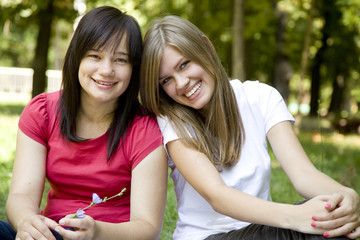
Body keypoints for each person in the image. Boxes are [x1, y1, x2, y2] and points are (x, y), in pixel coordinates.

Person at [139, 15, 360, 240]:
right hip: (209, 237)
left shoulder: (260, 97)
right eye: (166, 80)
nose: (181, 83)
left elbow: (303, 175)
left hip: (264, 230)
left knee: (329, 216)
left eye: (184, 64)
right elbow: (218, 196)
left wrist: (344, 195)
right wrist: (295, 216)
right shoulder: (171, 121)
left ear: (206, 47)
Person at [0, 6, 167, 240]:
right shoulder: (42, 112)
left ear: (134, 69)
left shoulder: (145, 130)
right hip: (50, 233)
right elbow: (21, 196)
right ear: (77, 57)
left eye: (121, 60)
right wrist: (27, 222)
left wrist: (97, 232)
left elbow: (148, 228)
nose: (106, 70)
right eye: (95, 56)